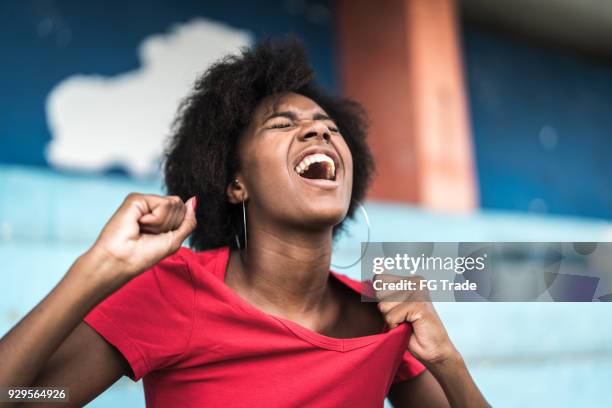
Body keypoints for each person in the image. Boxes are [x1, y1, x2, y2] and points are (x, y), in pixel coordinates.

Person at [0, 38, 489, 407]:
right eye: (282, 124)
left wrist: (447, 359)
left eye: (329, 127)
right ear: (235, 184)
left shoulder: (385, 315)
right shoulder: (175, 291)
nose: (317, 129)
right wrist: (100, 266)